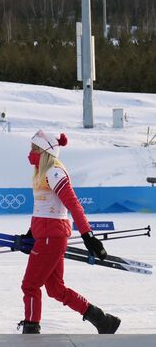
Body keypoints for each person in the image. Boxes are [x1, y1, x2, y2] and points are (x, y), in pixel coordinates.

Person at [17, 130, 121, 334]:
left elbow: (74, 205)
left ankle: (31, 329)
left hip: (51, 237)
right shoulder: (41, 173)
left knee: (30, 285)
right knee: (55, 289)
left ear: (45, 151)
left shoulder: (54, 172)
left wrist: (88, 236)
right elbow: (43, 208)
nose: (30, 152)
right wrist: (31, 233)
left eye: (34, 148)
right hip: (47, 236)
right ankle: (102, 320)